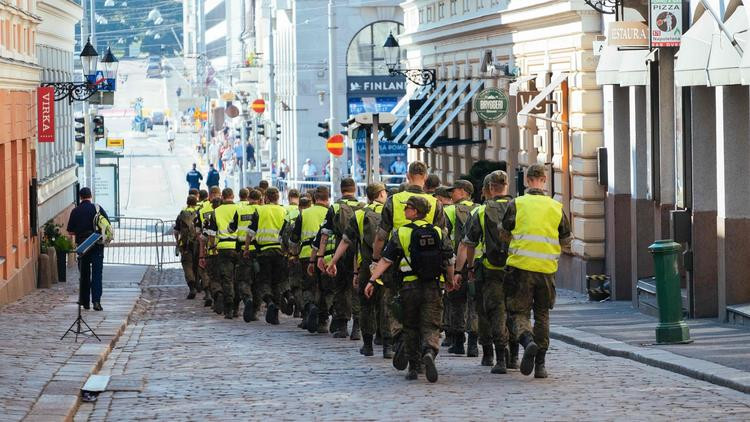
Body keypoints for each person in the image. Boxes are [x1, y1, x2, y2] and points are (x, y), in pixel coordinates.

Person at [366, 196, 455, 383]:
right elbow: (449, 259)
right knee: (431, 324)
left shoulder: (401, 233)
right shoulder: (439, 232)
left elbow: (387, 259)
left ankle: (413, 367)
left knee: (410, 325)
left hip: (409, 286)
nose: (405, 210)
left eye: (408, 208)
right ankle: (429, 352)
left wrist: (372, 279)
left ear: (415, 211)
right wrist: (449, 279)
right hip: (433, 286)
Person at [502, 164, 572, 379]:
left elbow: (504, 232)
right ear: (544, 181)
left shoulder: (517, 203)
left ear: (527, 181)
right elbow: (566, 239)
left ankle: (527, 340)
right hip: (546, 270)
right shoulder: (555, 206)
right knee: (542, 315)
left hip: (520, 267)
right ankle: (540, 364)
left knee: (518, 312)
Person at [455, 170, 514, 374]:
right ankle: (514, 355)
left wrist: (466, 269)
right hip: (517, 268)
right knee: (514, 311)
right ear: (507, 186)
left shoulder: (480, 212)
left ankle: (492, 355)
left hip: (488, 270)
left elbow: (468, 244)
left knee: (490, 313)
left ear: (489, 188)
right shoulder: (519, 207)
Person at [326, 182, 391, 357]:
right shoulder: (390, 213)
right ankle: (387, 345)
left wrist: (333, 261)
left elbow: (347, 241)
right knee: (385, 304)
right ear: (381, 194)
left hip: (366, 266)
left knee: (366, 305)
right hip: (387, 264)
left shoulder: (360, 214)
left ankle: (368, 344)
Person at [315, 178, 365, 339]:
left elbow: (325, 233)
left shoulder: (335, 207)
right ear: (355, 189)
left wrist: (321, 256)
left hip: (340, 251)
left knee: (341, 287)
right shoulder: (362, 207)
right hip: (358, 251)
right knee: (356, 287)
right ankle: (357, 325)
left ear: (341, 189)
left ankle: (343, 325)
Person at [289, 186, 331, 333]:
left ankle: (309, 308)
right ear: (328, 198)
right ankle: (323, 320)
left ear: (313, 199)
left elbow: (294, 238)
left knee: (308, 286)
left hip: (307, 255)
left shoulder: (304, 214)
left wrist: (294, 254)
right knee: (324, 288)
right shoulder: (331, 212)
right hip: (327, 256)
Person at [444, 179, 479, 357]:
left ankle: (458, 342)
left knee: (456, 301)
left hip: (457, 261)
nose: (451, 194)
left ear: (464, 191)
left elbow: (443, 236)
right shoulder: (479, 209)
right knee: (474, 303)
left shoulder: (450, 210)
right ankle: (473, 343)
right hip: (476, 262)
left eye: (454, 190)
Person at [245, 187, 288, 325]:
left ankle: (269, 301)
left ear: (266, 198)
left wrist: (246, 248)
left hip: (263, 251)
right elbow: (287, 232)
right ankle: (275, 313)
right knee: (277, 281)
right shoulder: (284, 210)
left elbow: (250, 231)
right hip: (279, 251)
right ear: (277, 198)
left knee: (263, 281)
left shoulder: (260, 210)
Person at [66, 187, 111, 311]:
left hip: (83, 246)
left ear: (80, 197)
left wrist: (80, 232)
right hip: (97, 245)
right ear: (90, 196)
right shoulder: (97, 208)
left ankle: (85, 302)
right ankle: (96, 302)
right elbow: (107, 225)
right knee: (97, 274)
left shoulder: (75, 211)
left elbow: (70, 230)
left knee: (84, 274)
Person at [207, 188, 240, 319]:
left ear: (223, 197)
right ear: (233, 196)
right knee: (238, 279)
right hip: (238, 247)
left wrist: (212, 246)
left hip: (223, 248)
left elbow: (211, 234)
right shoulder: (239, 209)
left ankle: (229, 308)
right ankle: (237, 307)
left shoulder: (216, 212)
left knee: (226, 279)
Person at [174, 195, 201, 299]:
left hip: (185, 245)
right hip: (197, 244)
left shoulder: (181, 214)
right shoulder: (199, 213)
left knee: (187, 265)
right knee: (197, 264)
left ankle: (192, 286)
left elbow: (176, 231)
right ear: (196, 203)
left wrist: (178, 242)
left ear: (187, 203)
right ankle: (199, 284)